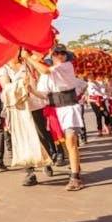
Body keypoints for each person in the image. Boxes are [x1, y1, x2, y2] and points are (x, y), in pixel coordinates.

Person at [28, 43, 86, 191]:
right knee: (65, 144)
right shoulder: (46, 75)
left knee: (71, 141)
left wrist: (28, 58)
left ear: (66, 55)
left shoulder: (66, 66)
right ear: (51, 56)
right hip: (55, 110)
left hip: (69, 108)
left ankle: (75, 177)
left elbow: (46, 70)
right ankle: (75, 166)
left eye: (62, 53)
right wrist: (30, 90)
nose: (60, 56)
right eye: (56, 53)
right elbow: (43, 94)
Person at [0, 49, 52, 187]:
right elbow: (5, 86)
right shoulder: (3, 68)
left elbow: (43, 68)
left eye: (17, 48)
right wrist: (22, 85)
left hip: (34, 104)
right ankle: (30, 172)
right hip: (17, 107)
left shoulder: (27, 63)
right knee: (22, 138)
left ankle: (46, 161)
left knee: (41, 135)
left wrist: (28, 58)